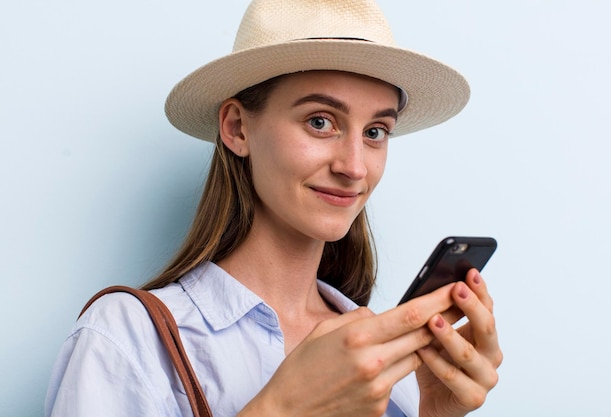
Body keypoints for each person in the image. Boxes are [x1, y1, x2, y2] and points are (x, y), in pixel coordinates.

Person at [45, 0, 502, 416]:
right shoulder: (126, 338)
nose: (355, 167)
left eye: (376, 131)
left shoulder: (379, 353)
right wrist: (280, 408)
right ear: (237, 127)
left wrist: (432, 414)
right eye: (320, 121)